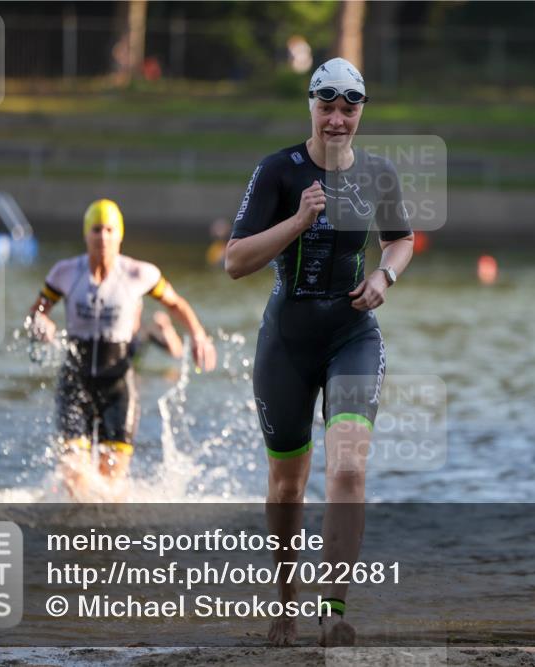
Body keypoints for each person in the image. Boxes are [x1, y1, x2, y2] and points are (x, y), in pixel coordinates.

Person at [224, 57, 414, 647]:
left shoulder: (378, 173)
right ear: (310, 106)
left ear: (361, 113)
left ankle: (333, 610)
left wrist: (384, 275)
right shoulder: (278, 171)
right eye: (326, 107)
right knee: (287, 485)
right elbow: (234, 261)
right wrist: (299, 220)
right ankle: (286, 604)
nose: (336, 120)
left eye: (347, 110)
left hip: (353, 336)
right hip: (287, 343)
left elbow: (401, 239)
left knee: (349, 468)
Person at [29, 199, 216, 499]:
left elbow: (176, 304)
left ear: (120, 235)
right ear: (86, 234)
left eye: (109, 230)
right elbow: (36, 312)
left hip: (118, 387)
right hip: (75, 383)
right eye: (96, 229)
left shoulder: (139, 274)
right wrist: (42, 324)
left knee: (111, 487)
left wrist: (198, 335)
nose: (102, 237)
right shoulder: (64, 272)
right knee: (74, 480)